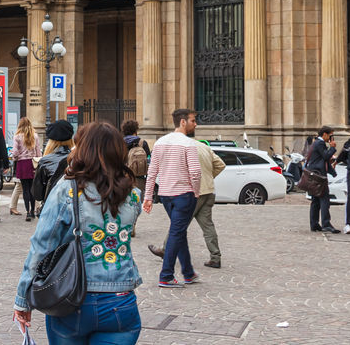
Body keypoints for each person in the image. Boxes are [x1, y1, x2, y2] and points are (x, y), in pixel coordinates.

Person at [13, 122, 144, 344]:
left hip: (73, 298)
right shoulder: (132, 194)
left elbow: (42, 245)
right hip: (120, 299)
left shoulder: (68, 188)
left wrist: (23, 299)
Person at [149, 121, 224, 268]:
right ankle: (215, 257)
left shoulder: (183, 148)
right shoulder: (204, 147)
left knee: (178, 224)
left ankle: (165, 250)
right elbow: (220, 164)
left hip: (192, 193)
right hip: (208, 191)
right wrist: (208, 177)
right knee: (207, 226)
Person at [143, 108, 203, 288]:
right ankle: (166, 275)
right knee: (177, 233)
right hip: (184, 194)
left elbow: (152, 172)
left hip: (165, 196)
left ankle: (188, 272)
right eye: (193, 120)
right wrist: (196, 191)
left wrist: (147, 196)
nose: (195, 124)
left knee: (179, 232)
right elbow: (195, 171)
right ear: (183, 122)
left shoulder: (160, 142)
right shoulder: (188, 144)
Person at [306, 126, 339, 234]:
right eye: (330, 135)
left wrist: (333, 173)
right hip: (319, 176)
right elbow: (325, 157)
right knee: (324, 199)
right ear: (324, 134)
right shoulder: (320, 143)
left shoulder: (316, 143)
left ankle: (314, 224)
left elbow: (322, 160)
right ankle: (326, 224)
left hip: (315, 175)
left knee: (315, 200)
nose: (331, 138)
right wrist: (332, 148)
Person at [33, 120, 74, 204]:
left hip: (51, 209)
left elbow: (37, 195)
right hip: (73, 209)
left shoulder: (45, 161)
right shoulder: (78, 159)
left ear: (51, 141)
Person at [11, 117, 42, 220]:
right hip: (32, 163)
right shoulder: (35, 136)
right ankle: (33, 211)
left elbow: (15, 152)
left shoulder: (17, 137)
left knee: (25, 189)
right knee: (32, 188)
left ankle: (28, 212)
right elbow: (38, 152)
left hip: (22, 164)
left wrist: (15, 157)